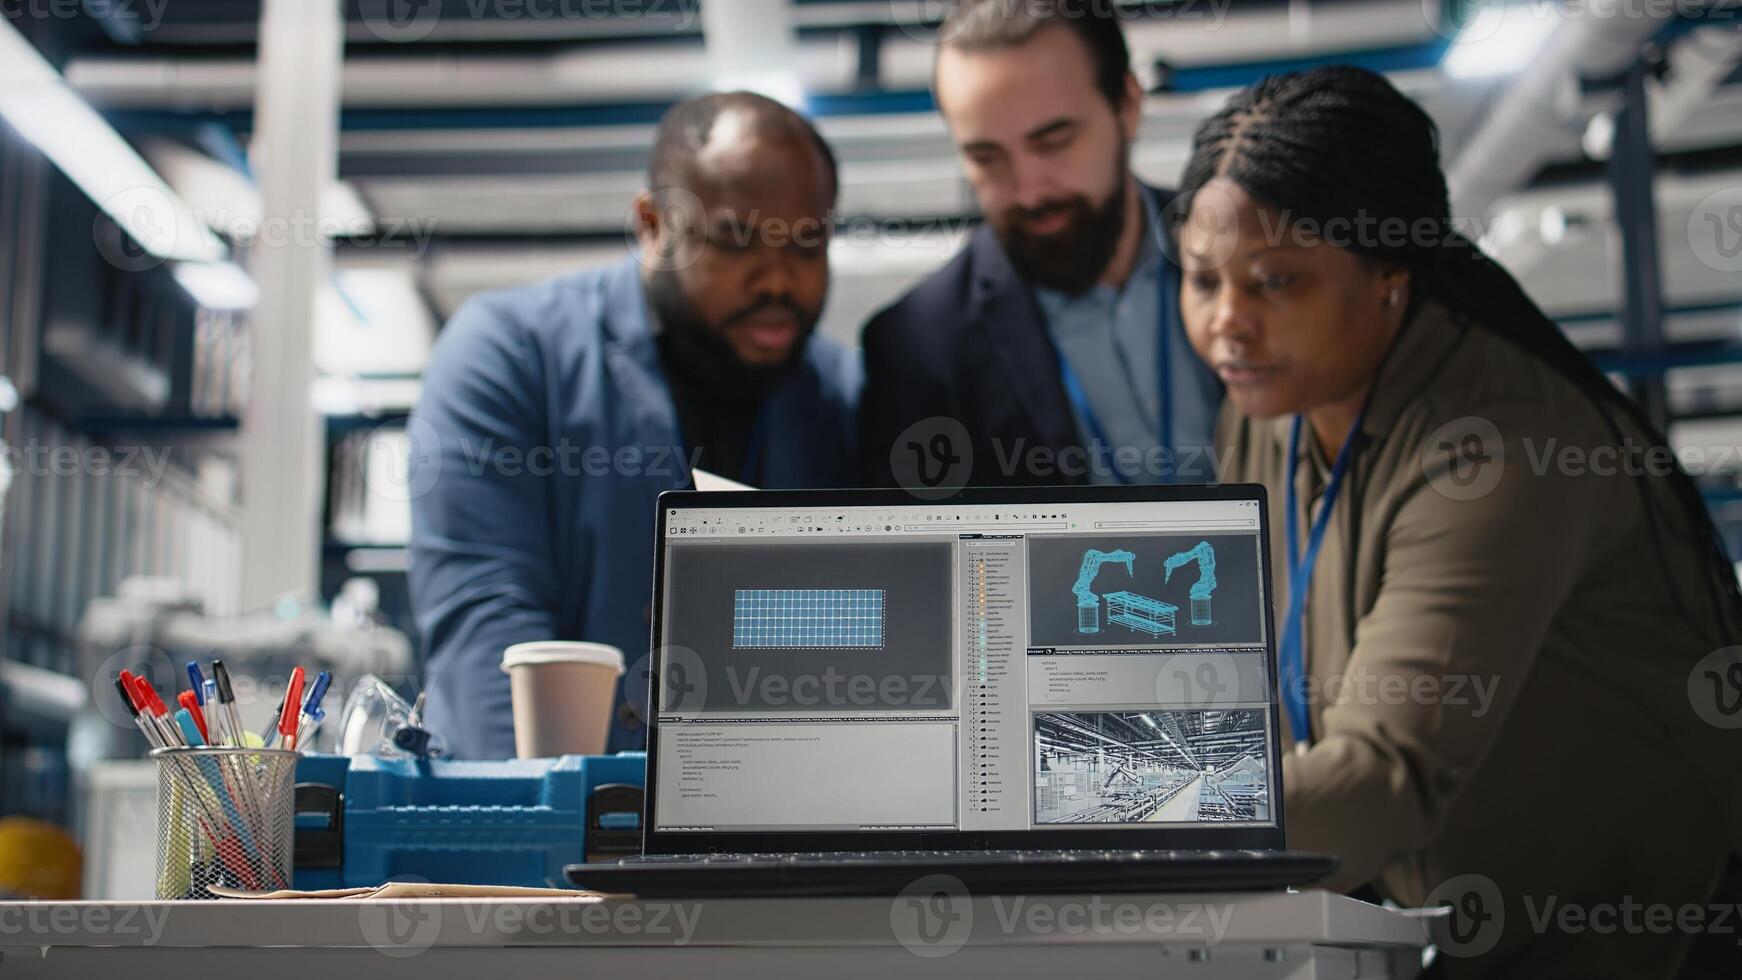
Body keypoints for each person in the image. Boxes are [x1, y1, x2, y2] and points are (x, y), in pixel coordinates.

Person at [1174, 65, 1742, 977]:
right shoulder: (1266, 408)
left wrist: (1127, 818)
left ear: (1389, 272)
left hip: (1635, 937)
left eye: (1278, 280)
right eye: (1202, 280)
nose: (1228, 322)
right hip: (1446, 927)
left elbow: (1383, 777)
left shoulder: (1496, 447)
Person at [409, 92, 859, 759]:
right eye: (736, 240)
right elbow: (490, 633)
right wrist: (556, 840)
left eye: (807, 243)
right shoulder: (509, 355)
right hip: (539, 830)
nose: (779, 280)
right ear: (651, 225)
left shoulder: (840, 399)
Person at [858, 0, 1219, 490]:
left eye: (1053, 141)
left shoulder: (1243, 254)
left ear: (1128, 107)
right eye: (987, 157)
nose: (1028, 191)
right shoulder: (918, 348)